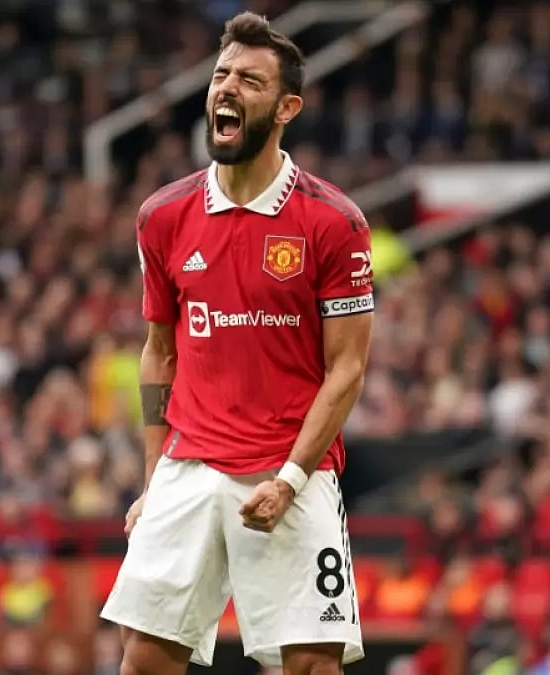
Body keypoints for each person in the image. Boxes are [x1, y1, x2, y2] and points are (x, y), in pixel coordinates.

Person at [100, 11, 374, 675]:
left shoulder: (333, 222)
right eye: (221, 75)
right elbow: (159, 351)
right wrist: (151, 478)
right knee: (142, 663)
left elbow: (348, 369)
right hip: (188, 467)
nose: (226, 89)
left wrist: (289, 479)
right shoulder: (163, 216)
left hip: (292, 471)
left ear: (286, 108)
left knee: (311, 666)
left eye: (249, 81)